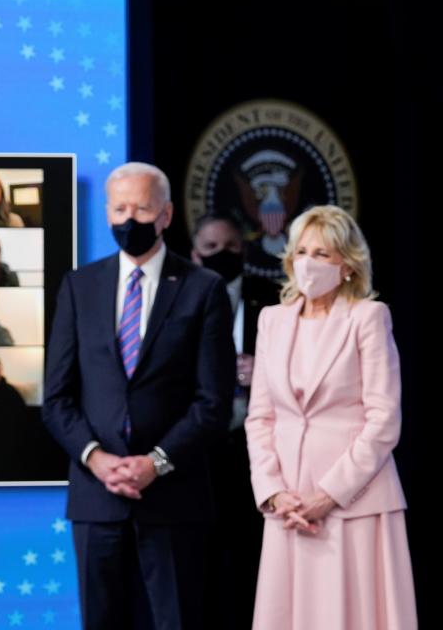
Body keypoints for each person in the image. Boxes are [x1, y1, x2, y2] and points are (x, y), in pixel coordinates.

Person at [42, 162, 235, 630]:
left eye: (142, 208)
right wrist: (97, 459)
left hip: (174, 495)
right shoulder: (79, 286)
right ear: (107, 212)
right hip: (96, 495)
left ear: (166, 215)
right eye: (120, 208)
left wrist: (156, 463)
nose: (130, 219)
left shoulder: (203, 289)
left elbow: (214, 401)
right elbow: (57, 397)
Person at [245, 205, 416, 629]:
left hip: (352, 506)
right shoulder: (272, 321)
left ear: (347, 265)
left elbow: (383, 421)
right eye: (301, 252)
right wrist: (273, 493)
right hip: (288, 509)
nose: (308, 263)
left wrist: (328, 495)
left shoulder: (368, 318)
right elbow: (260, 417)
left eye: (322, 254)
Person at [190, 212, 279, 628]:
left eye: (230, 248)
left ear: (243, 251)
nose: (221, 255)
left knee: (252, 560)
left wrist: (264, 369)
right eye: (211, 249)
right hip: (198, 453)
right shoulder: (180, 302)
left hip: (259, 453)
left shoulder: (274, 299)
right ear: (194, 255)